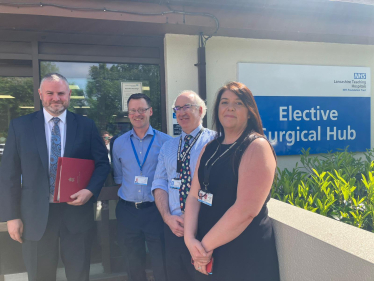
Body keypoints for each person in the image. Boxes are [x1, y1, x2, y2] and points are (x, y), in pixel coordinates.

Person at [0, 73, 111, 281]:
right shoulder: (20, 126)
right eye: (50, 93)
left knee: (79, 274)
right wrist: (11, 216)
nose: (56, 98)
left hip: (76, 213)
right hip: (35, 216)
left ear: (69, 95)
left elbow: (102, 164)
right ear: (41, 94)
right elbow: (9, 174)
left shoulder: (86, 126)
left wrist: (90, 190)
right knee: (41, 275)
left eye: (61, 93)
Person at [184, 82, 280, 281]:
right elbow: (194, 195)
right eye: (224, 102)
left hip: (242, 252)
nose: (230, 107)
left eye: (238, 103)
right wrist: (189, 239)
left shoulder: (256, 146)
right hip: (206, 250)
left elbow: (245, 211)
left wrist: (202, 248)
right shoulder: (209, 148)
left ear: (249, 111)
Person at [152, 90, 216, 281]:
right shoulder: (168, 147)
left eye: (187, 106)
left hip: (205, 229)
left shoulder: (216, 142)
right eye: (177, 108)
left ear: (201, 110)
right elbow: (159, 183)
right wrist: (167, 218)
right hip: (174, 228)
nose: (181, 112)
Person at [112, 93, 171, 281]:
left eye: (142, 110)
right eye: (133, 111)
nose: (137, 114)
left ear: (150, 111)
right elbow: (119, 177)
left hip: (156, 211)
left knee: (161, 259)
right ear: (128, 114)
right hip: (128, 211)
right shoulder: (118, 143)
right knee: (132, 261)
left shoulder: (166, 142)